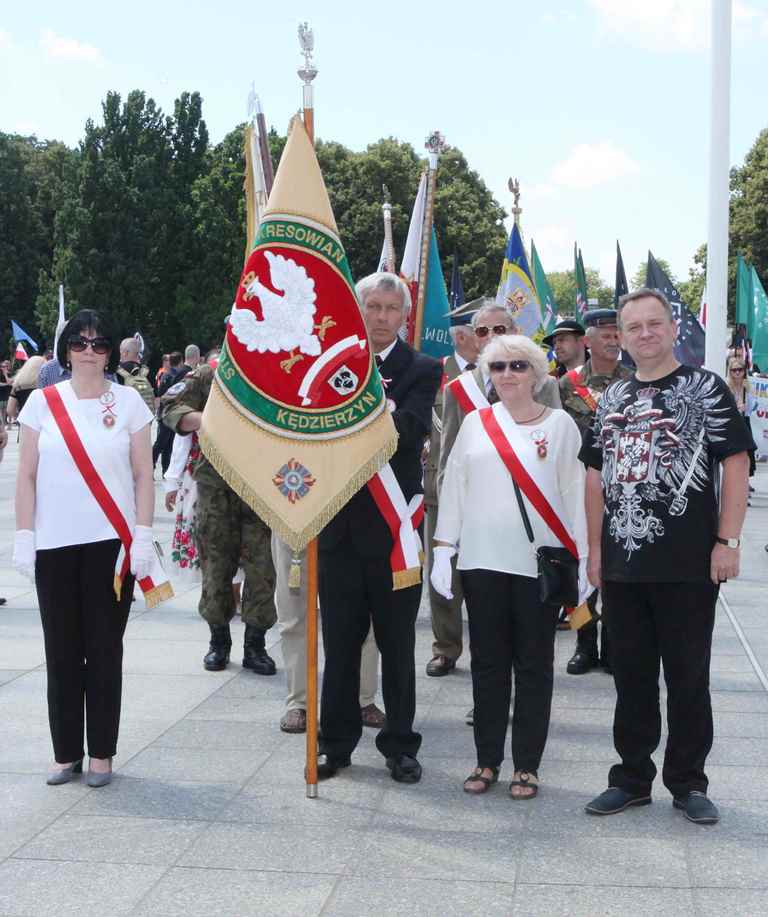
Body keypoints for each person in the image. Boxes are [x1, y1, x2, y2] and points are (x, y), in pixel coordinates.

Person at [582, 288, 751, 826]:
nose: (645, 334)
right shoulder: (610, 398)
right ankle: (631, 778)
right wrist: (593, 551)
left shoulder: (706, 388)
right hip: (623, 563)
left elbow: (736, 461)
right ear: (621, 337)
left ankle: (688, 782)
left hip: (687, 564)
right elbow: (594, 475)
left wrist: (728, 541)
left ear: (673, 329)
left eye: (654, 324)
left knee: (686, 677)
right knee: (629, 677)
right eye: (634, 327)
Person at [432, 334, 587, 800]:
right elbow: (454, 486)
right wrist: (443, 547)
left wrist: (582, 564)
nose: (507, 375)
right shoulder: (477, 423)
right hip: (482, 562)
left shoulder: (560, 426)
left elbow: (576, 495)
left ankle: (527, 765)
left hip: (537, 567)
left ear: (537, 374)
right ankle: (487, 759)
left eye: (518, 366)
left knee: (535, 666)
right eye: (497, 367)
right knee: (488, 665)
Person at [13, 309, 156, 787]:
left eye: (98, 343)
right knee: (61, 650)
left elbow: (142, 476)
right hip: (54, 544)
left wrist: (142, 534)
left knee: (103, 649)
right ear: (65, 349)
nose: (89, 352)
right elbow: (27, 476)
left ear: (111, 350)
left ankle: (102, 754)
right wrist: (24, 535)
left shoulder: (131, 403)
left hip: (109, 547)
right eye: (80, 342)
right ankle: (65, 752)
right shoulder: (42, 403)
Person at [316, 272, 442, 783]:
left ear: (404, 315)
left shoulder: (423, 367)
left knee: (397, 644)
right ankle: (336, 744)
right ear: (359, 308)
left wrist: (359, 418)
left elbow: (409, 429)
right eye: (374, 306)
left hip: (395, 532)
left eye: (393, 309)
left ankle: (400, 745)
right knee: (341, 645)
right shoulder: (331, 362)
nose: (383, 317)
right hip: (339, 528)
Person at [437, 299, 561, 723]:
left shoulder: (545, 384)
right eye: (485, 332)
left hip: (532, 533)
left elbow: (559, 462)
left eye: (502, 328)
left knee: (531, 641)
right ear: (474, 338)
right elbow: (448, 463)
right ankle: (487, 702)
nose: (494, 338)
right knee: (487, 633)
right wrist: (443, 535)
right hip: (481, 532)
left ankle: (526, 710)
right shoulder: (459, 389)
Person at [163, 362, 278, 675]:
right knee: (215, 566)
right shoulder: (211, 373)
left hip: (263, 483)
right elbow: (171, 406)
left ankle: (256, 644)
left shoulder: (279, 366)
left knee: (262, 567)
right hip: (216, 485)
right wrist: (204, 419)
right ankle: (219, 641)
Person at [559, 308, 632, 675]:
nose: (613, 338)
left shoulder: (634, 381)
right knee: (581, 569)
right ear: (587, 341)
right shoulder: (566, 385)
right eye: (605, 333)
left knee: (616, 569)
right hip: (577, 486)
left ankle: (615, 645)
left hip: (621, 489)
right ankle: (583, 645)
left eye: (617, 332)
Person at [272, 536, 384, 733]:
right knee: (293, 614)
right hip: (292, 517)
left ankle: (363, 698)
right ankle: (298, 703)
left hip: (345, 519)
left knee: (360, 611)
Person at [423, 305, 481, 677]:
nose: (492, 338)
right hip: (441, 488)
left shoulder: (502, 372)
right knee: (444, 572)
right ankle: (445, 646)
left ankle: (488, 649)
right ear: (462, 336)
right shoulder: (435, 373)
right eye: (482, 331)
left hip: (488, 491)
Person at [725, 357, 757, 482]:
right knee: (735, 455)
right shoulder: (728, 387)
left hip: (745, 422)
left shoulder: (747, 387)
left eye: (740, 370)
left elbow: (753, 406)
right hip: (733, 424)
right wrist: (736, 407)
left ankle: (745, 481)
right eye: (734, 370)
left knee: (748, 453)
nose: (737, 373)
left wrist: (746, 405)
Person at [6, 356, 46, 422]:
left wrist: (19, 416)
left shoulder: (17, 386)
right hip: (43, 423)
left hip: (24, 424)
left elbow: (10, 410)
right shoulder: (46, 386)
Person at [0, 359, 12, 426]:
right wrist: (6, 384)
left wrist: (5, 375)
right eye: (2, 366)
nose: (4, 367)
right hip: (1, 393)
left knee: (7, 409)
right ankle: (3, 423)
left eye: (5, 366)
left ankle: (9, 424)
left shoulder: (9, 374)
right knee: (1, 409)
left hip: (8, 393)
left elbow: (10, 382)